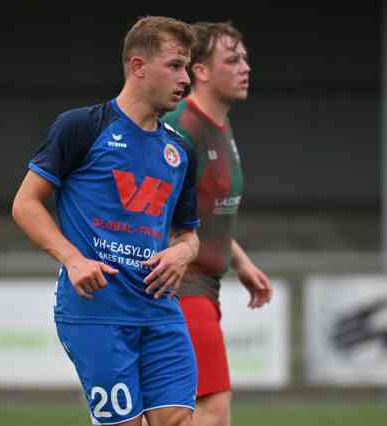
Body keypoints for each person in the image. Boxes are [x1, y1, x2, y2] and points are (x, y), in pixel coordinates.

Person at [12, 16, 200, 426]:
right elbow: (25, 204)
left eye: (187, 67)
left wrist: (183, 253)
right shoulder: (82, 127)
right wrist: (73, 259)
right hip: (96, 314)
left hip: (160, 312)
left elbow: (188, 233)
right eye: (175, 65)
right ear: (138, 67)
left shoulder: (181, 151)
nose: (185, 78)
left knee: (179, 421)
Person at [162, 21, 274, 426]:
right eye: (232, 59)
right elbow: (150, 210)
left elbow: (205, 209)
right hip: (182, 288)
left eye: (245, 58)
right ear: (201, 71)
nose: (245, 67)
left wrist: (240, 262)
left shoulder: (220, 126)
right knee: (211, 409)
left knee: (179, 414)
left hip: (206, 287)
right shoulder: (181, 128)